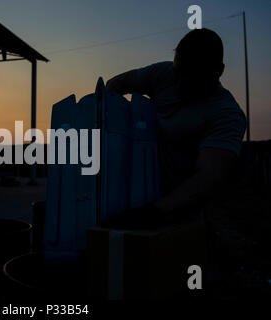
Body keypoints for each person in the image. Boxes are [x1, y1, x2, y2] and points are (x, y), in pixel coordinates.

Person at [102, 28, 246, 229]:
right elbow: (114, 85)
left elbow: (208, 177)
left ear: (218, 71)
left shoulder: (227, 115)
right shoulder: (163, 74)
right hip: (133, 193)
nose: (179, 84)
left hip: (180, 214)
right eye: (178, 74)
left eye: (191, 77)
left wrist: (153, 212)